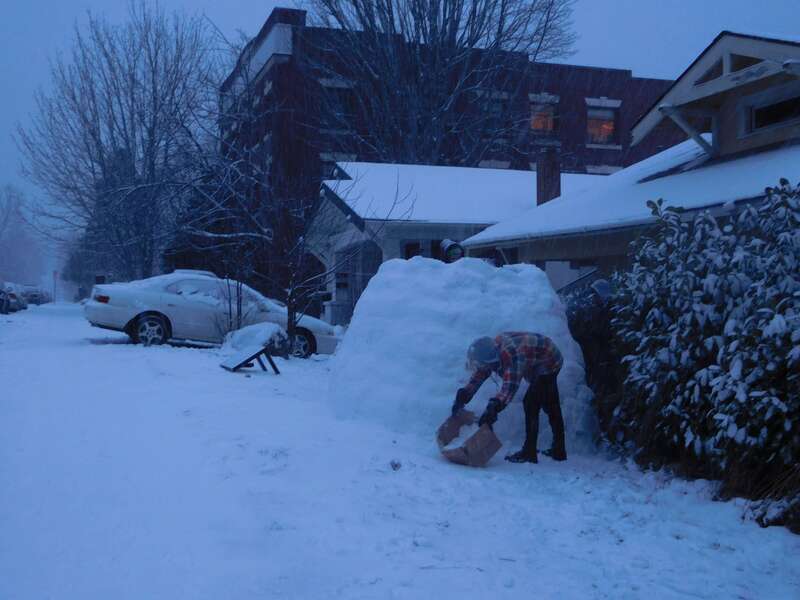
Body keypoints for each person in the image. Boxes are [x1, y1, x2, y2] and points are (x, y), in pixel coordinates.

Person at [451, 332, 566, 464]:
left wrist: (494, 407)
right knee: (550, 403)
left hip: (549, 360)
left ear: (490, 361)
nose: (479, 367)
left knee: (531, 403)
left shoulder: (512, 357)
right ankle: (559, 450)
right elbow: (481, 374)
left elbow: (509, 389)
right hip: (536, 355)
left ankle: (529, 453)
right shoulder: (491, 352)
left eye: (480, 364)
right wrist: (464, 395)